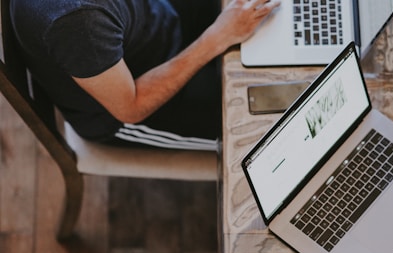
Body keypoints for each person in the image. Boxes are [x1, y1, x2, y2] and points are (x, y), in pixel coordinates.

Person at [10, 0, 280, 150]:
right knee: (268, 126)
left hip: (156, 19)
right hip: (134, 104)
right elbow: (132, 107)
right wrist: (217, 37)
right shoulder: (77, 22)